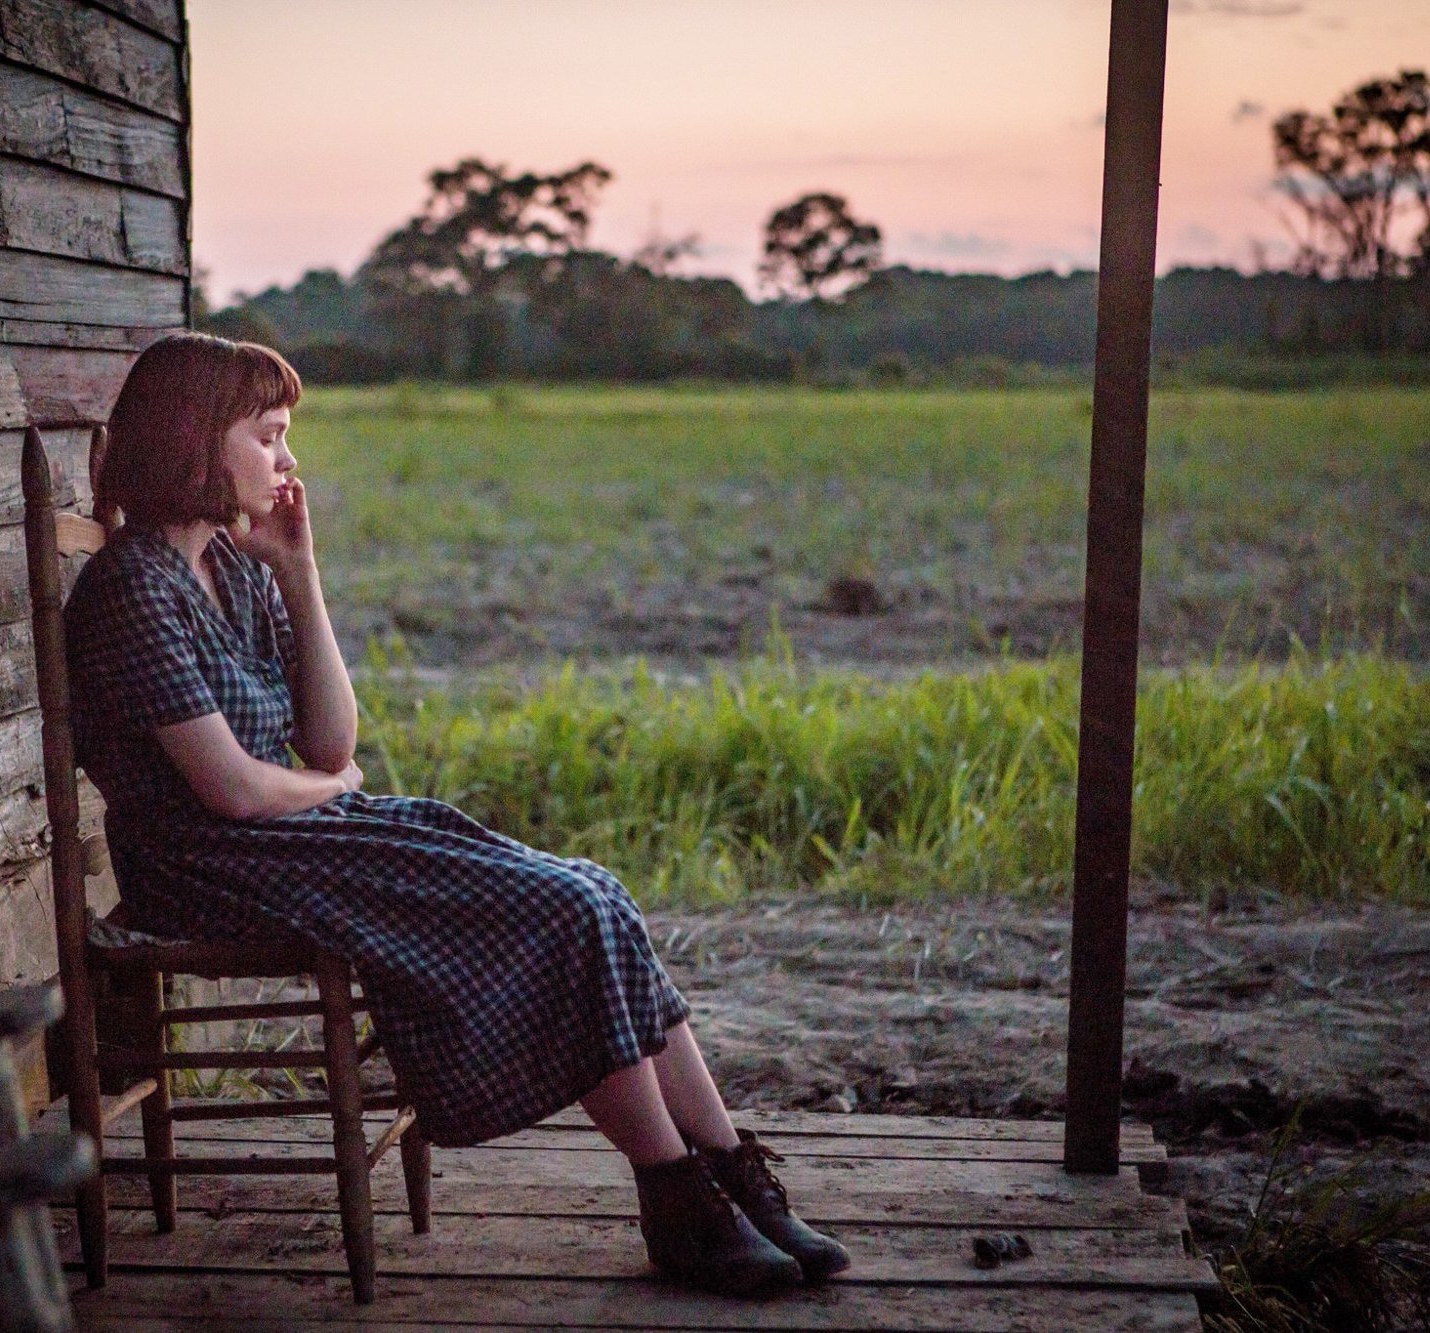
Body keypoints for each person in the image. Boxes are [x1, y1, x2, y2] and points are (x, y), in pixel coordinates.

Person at [63, 333, 848, 1295]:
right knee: (558, 908)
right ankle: (672, 1191)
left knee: (592, 889)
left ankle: (728, 1169)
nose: (287, 459)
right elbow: (234, 787)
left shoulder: (233, 571)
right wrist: (337, 795)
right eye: (268, 435)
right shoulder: (132, 587)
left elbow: (329, 743)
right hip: (209, 869)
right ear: (196, 442)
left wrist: (299, 574)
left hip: (293, 844)